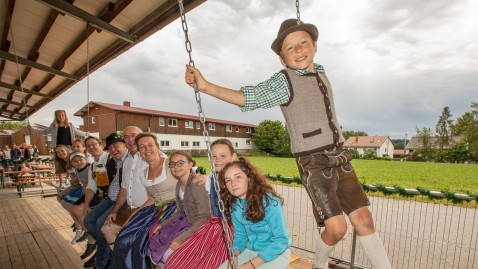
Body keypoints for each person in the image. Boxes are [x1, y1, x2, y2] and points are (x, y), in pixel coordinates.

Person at [185, 18, 392, 269]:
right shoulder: (284, 81)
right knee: (337, 229)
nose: (299, 50)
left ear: (315, 46)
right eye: (290, 48)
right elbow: (250, 97)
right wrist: (205, 86)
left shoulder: (321, 71)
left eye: (304, 42)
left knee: (365, 220)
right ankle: (319, 264)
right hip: (314, 161)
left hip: (340, 155)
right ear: (282, 60)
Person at [164, 138, 237, 269]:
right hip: (213, 227)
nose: (217, 159)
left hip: (230, 229)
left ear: (233, 157)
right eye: (213, 156)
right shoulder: (211, 178)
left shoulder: (238, 180)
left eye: (223, 156)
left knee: (208, 263)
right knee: (177, 261)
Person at [111, 132, 177, 269]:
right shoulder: (143, 173)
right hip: (155, 209)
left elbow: (190, 175)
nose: (147, 149)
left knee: (145, 242)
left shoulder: (170, 164)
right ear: (139, 151)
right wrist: (131, 219)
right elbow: (151, 199)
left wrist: (200, 178)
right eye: (142, 146)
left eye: (150, 145)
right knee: (124, 237)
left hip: (176, 209)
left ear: (158, 147)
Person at [217, 157, 291, 269]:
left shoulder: (270, 202)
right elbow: (241, 236)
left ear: (249, 178)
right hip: (251, 251)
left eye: (238, 176)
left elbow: (281, 240)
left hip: (276, 252)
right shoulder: (234, 206)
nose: (233, 183)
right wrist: (235, 254)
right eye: (228, 180)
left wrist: (252, 264)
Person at [147, 150, 210, 268]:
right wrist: (163, 224)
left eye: (181, 163)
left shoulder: (196, 185)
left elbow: (204, 217)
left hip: (199, 227)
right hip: (184, 222)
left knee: (167, 256)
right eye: (173, 164)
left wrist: (181, 239)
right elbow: (180, 212)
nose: (176, 167)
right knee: (155, 241)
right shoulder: (179, 185)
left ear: (190, 164)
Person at [83, 133, 128, 269]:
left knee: (99, 224)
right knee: (88, 220)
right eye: (110, 147)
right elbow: (94, 184)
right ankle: (107, 250)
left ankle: (101, 263)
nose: (113, 149)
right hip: (109, 197)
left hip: (122, 200)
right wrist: (86, 204)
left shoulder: (130, 159)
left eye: (116, 145)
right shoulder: (111, 161)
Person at [101, 126, 148, 247]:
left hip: (147, 210)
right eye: (126, 137)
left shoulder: (150, 157)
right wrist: (114, 211)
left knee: (124, 235)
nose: (130, 140)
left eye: (133, 135)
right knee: (106, 229)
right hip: (130, 208)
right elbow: (124, 188)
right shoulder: (127, 162)